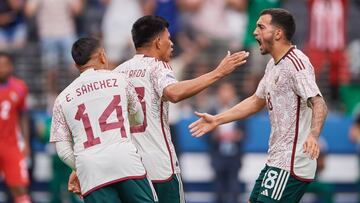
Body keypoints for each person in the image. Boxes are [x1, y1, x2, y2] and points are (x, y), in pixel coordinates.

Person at [189, 8, 328, 203]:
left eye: (261, 27)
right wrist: (217, 120)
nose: (255, 32)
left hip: (292, 162)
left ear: (278, 33)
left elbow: (319, 101)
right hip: (276, 160)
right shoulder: (273, 65)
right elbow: (256, 101)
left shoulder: (297, 63)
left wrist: (313, 135)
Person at [113, 15, 249, 203]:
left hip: (129, 169)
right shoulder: (157, 66)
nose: (172, 44)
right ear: (158, 42)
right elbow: (174, 93)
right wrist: (218, 73)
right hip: (160, 166)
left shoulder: (116, 73)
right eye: (168, 38)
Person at [49, 37, 157, 203]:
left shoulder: (62, 99)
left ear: (77, 65)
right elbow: (139, 117)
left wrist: (80, 168)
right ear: (102, 56)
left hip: (91, 170)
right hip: (125, 160)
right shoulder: (121, 80)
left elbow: (63, 152)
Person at [0, 52, 31, 203]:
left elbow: (23, 116)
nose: (1, 68)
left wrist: (25, 141)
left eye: (4, 65)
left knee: (19, 188)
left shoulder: (19, 87)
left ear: (10, 67)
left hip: (11, 144)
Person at [208, 82, 245, 203]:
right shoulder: (212, 111)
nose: (226, 95)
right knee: (218, 189)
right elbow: (206, 136)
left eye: (229, 91)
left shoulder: (240, 111)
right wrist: (216, 135)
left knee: (234, 188)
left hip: (234, 156)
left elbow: (245, 132)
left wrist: (237, 136)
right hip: (218, 156)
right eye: (223, 91)